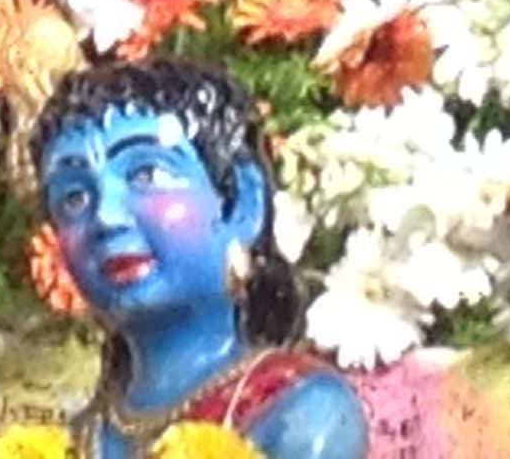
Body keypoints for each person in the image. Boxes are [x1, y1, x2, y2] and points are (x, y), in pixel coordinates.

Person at [31, 58, 368, 458]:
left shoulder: (299, 413)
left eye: (146, 175)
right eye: (73, 197)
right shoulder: (77, 441)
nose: (106, 216)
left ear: (240, 202)